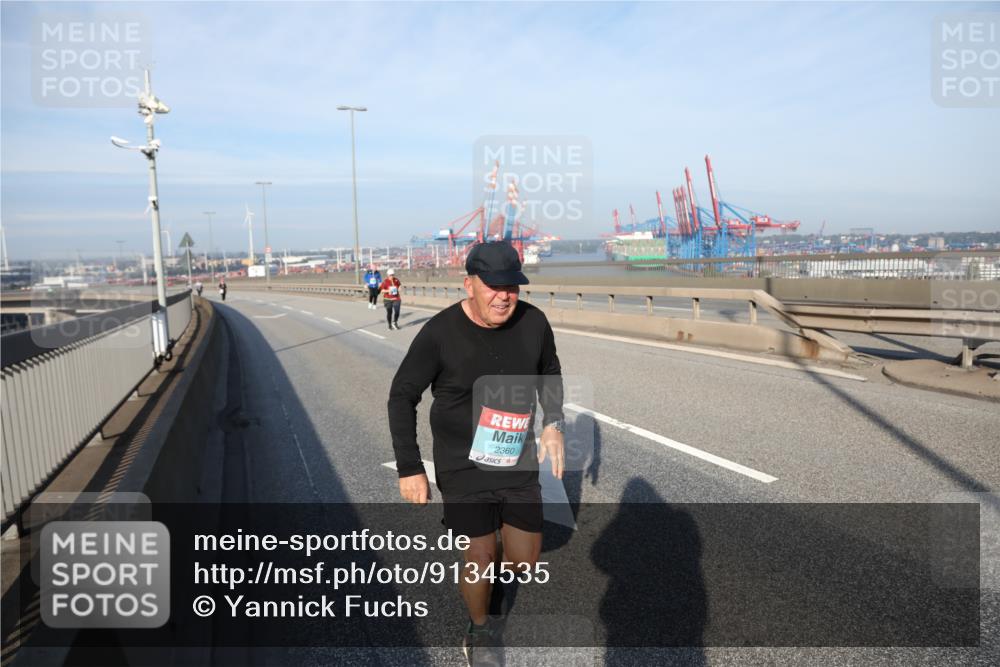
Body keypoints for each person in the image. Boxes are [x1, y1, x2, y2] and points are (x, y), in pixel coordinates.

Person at [388, 241, 564, 666]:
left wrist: (553, 424)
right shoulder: (440, 333)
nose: (505, 295)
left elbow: (549, 371)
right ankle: (480, 628)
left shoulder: (534, 323)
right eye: (494, 286)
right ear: (469, 285)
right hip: (461, 461)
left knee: (524, 560)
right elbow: (402, 395)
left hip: (514, 455)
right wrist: (410, 467)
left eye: (513, 286)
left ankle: (492, 578)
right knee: (481, 555)